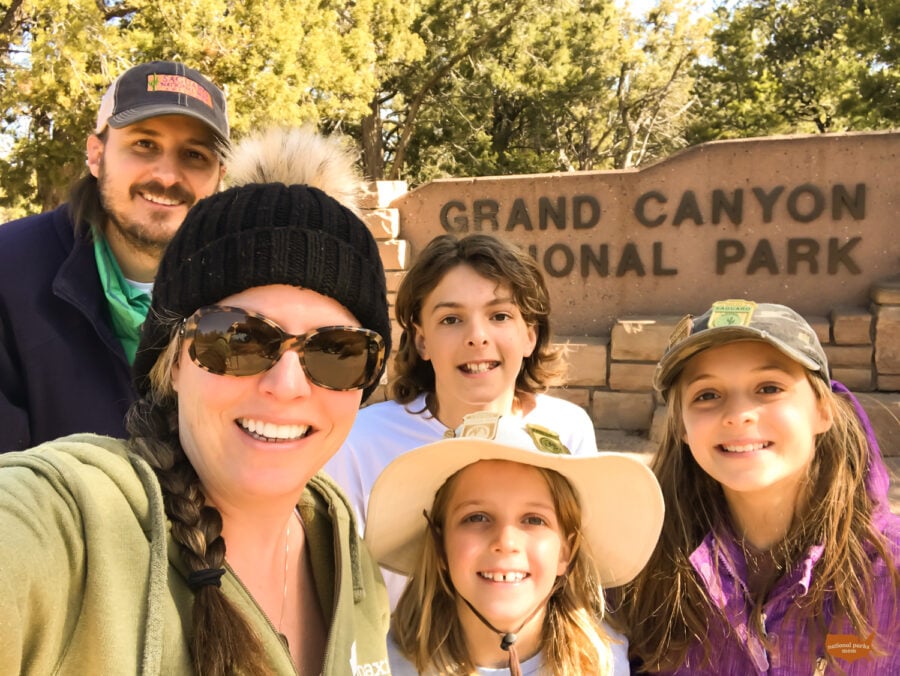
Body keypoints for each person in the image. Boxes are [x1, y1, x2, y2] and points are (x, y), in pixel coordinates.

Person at [0, 128, 393, 675]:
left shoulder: (343, 546)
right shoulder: (75, 525)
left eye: (337, 351)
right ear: (174, 359)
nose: (287, 385)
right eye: (239, 339)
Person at [614, 299, 899, 674]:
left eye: (768, 388)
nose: (737, 415)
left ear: (823, 410)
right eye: (707, 395)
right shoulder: (641, 568)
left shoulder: (888, 568)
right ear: (682, 427)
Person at [325, 233, 598, 601]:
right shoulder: (361, 442)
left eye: (499, 316)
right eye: (451, 319)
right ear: (421, 341)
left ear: (529, 336)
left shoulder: (568, 429)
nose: (477, 337)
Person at [0, 61, 229, 452]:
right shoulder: (9, 271)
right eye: (144, 144)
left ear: (219, 175)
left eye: (194, 155)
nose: (168, 176)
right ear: (96, 154)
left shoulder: (244, 289)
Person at [365, 411, 665, 675]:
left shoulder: (603, 663)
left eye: (534, 520)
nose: (505, 541)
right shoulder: (381, 665)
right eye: (476, 517)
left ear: (566, 551)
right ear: (440, 545)